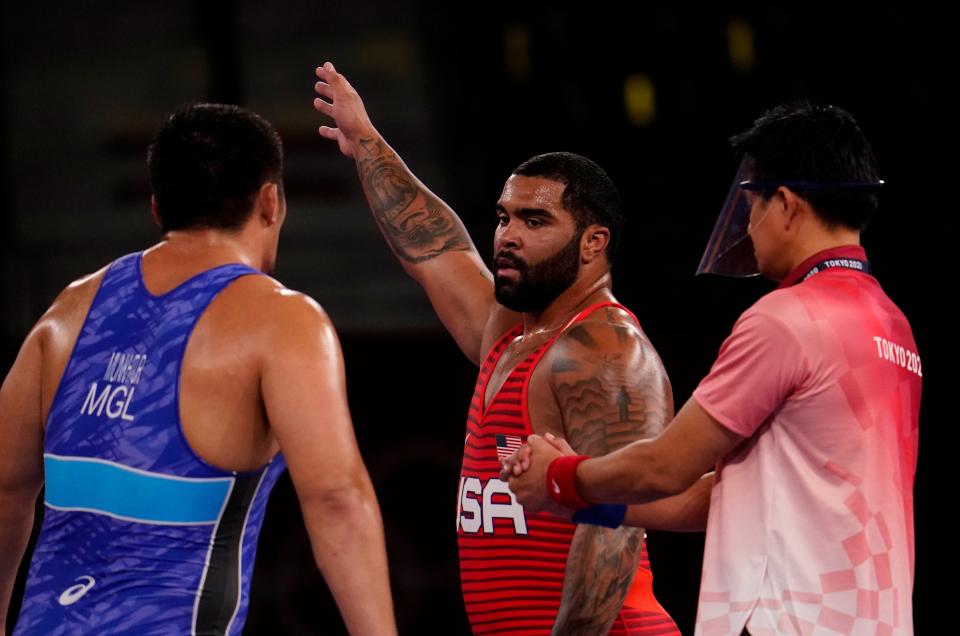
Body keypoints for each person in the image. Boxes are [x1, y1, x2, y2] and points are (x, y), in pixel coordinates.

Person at [504, 101, 921, 635]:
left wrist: (560, 478)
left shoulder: (786, 319)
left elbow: (666, 466)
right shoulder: (891, 325)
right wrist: (592, 502)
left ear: (787, 205)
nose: (749, 223)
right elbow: (722, 500)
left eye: (755, 204)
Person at [0, 103, 397, 635]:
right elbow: (336, 500)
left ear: (158, 208)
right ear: (271, 201)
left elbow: (6, 488)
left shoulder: (67, 313)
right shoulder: (283, 321)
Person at [314, 61, 680, 635]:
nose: (508, 236)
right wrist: (366, 143)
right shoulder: (509, 333)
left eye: (535, 222)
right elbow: (435, 248)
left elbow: (615, 530)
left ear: (593, 243)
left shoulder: (603, 351)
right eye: (504, 218)